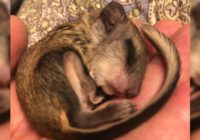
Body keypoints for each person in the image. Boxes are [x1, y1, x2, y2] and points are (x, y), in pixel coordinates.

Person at [9, 15, 190, 140]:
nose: (133, 91)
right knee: (59, 59)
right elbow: (68, 60)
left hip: (58, 107)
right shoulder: (79, 40)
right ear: (107, 24)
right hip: (46, 100)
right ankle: (84, 117)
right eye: (130, 59)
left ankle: (84, 114)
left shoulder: (83, 58)